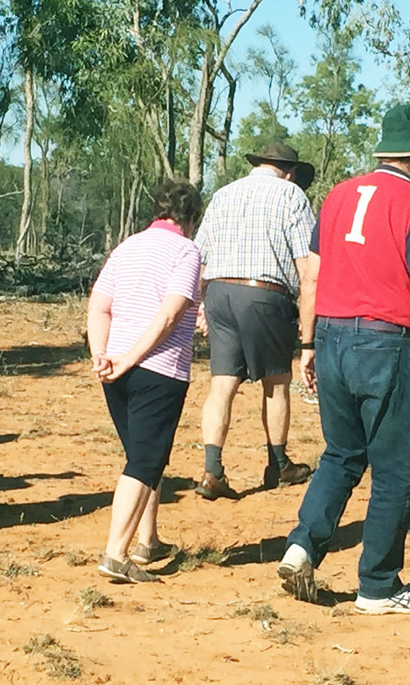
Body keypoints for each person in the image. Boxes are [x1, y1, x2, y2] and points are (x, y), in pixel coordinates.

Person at [278, 103, 410, 615]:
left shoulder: (335, 196)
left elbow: (310, 278)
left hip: (331, 338)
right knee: (393, 472)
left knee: (340, 454)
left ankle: (301, 546)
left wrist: (308, 344)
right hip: (385, 344)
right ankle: (378, 586)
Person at [87, 181, 203, 583]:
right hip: (159, 370)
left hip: (114, 369)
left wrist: (102, 354)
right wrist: (132, 357)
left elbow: (99, 305)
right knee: (144, 460)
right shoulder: (186, 251)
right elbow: (169, 316)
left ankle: (147, 540)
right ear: (191, 218)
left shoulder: (127, 247)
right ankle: (116, 554)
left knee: (145, 453)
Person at [193, 143, 316, 500]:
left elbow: (199, 257)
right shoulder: (291, 196)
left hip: (219, 292)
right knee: (276, 382)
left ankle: (212, 469)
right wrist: (308, 331)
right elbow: (306, 267)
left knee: (222, 385)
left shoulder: (223, 194)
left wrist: (201, 304)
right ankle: (278, 464)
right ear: (289, 171)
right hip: (264, 294)